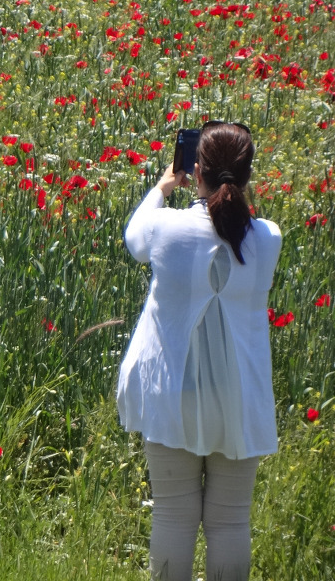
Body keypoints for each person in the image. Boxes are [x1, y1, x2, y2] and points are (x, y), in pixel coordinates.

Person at [116, 122, 283, 581]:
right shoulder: (268, 238)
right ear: (247, 174)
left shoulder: (165, 228)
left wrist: (165, 185)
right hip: (237, 395)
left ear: (197, 170)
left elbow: (134, 239)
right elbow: (231, 229)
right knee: (231, 521)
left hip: (173, 393)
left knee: (173, 515)